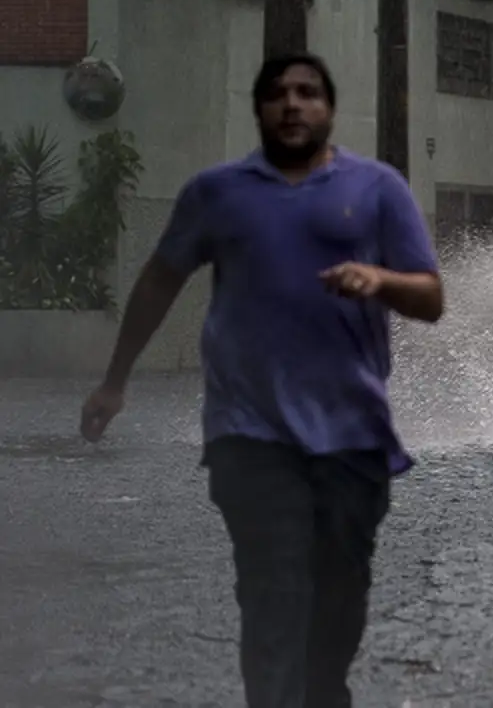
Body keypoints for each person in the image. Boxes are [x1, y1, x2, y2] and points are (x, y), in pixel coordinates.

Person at [77, 52, 444, 708]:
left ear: (329, 109)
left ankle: (324, 692)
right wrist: (115, 381)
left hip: (353, 437)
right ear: (259, 109)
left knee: (338, 600)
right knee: (273, 594)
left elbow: (430, 299)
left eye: (307, 93)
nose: (293, 104)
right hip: (248, 434)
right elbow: (161, 279)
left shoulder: (378, 188)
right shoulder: (216, 194)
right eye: (278, 94)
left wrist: (379, 280)